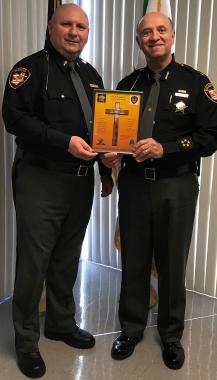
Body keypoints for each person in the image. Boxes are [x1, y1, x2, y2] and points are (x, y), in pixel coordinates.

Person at [101, 12, 217, 370]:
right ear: (139, 40)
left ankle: (171, 335)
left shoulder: (197, 83)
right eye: (145, 32)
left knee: (172, 262)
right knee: (134, 259)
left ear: (172, 36)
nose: (153, 37)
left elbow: (210, 136)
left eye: (160, 30)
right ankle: (131, 329)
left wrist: (166, 148)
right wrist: (110, 150)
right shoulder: (126, 85)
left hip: (177, 186)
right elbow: (112, 134)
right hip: (136, 185)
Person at [2, 4, 113, 379]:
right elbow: (14, 117)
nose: (74, 32)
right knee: (34, 262)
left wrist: (107, 167)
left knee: (67, 257)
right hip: (41, 178)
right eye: (66, 24)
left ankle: (61, 323)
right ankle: (27, 340)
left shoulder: (91, 75)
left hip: (79, 181)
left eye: (81, 26)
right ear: (51, 27)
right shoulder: (29, 69)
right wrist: (63, 142)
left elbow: (101, 130)